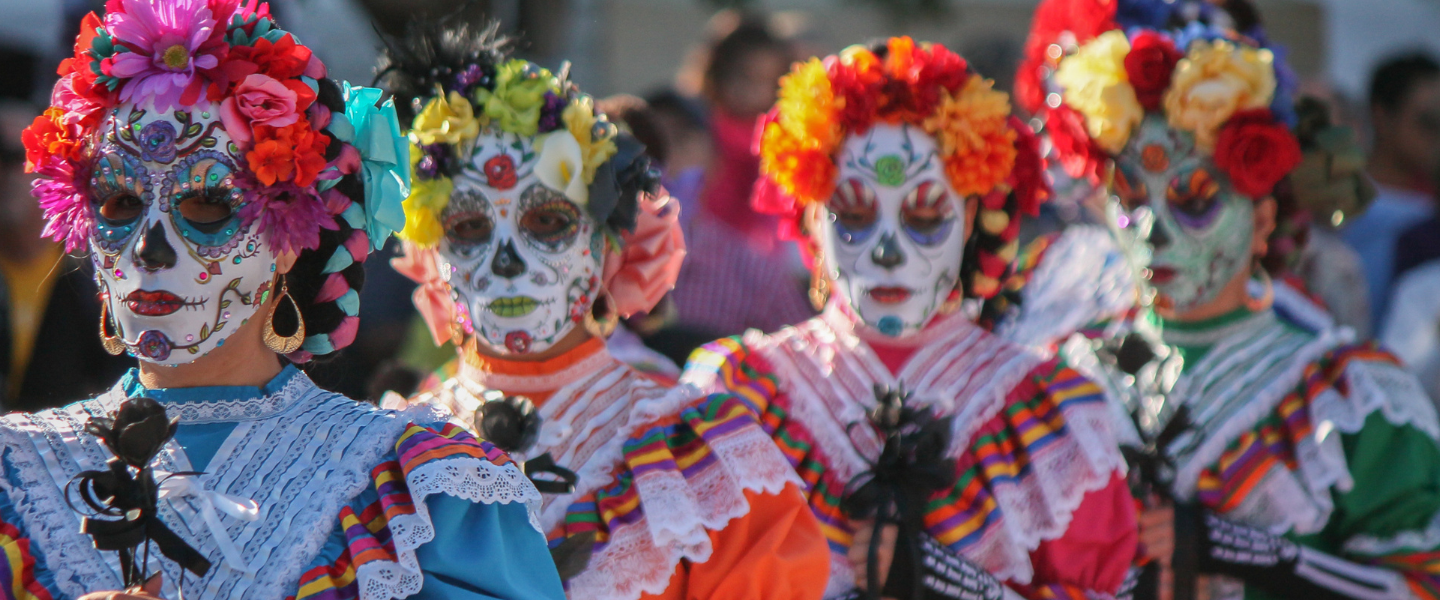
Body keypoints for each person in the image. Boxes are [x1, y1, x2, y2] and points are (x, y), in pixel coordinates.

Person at [0, 3, 564, 599]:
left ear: (289, 236)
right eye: (119, 204)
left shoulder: (424, 489)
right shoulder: (14, 474)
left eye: (208, 207)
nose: (151, 248)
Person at [380, 19, 830, 600]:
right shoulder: (390, 458)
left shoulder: (703, 456)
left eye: (546, 222)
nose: (508, 261)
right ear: (430, 255)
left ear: (609, 247)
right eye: (469, 227)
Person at [682, 37, 1140, 599]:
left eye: (925, 216)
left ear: (970, 217)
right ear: (811, 219)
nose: (887, 252)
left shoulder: (1051, 416)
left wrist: (963, 587)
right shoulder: (738, 397)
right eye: (853, 216)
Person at [1024, 0, 1440, 597]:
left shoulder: (1345, 397)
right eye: (1132, 197)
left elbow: (1419, 584)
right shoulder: (1061, 377)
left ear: (1263, 217)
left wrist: (1242, 550)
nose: (1153, 231)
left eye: (1194, 202)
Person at [666, 15, 813, 345]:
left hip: (772, 276)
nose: (755, 90)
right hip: (702, 263)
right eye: (745, 76)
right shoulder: (698, 131)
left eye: (768, 80)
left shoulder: (782, 138)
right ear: (717, 71)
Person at [1342, 52, 1440, 329]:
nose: (1438, 136)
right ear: (1382, 115)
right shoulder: (1338, 199)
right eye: (1428, 122)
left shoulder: (1430, 213)